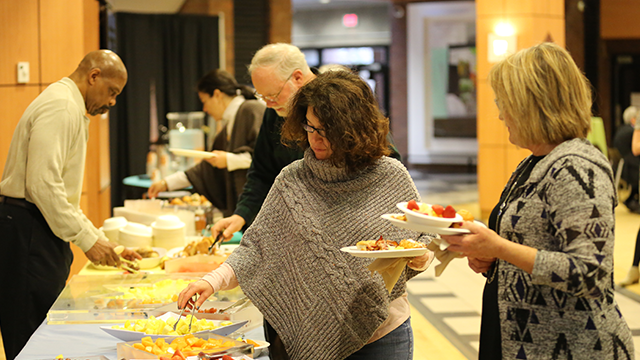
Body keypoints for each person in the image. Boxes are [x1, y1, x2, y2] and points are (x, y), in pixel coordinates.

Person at [178, 71, 433, 360]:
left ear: (354, 128)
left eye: (326, 131)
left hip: (384, 333)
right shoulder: (293, 180)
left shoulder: (389, 176)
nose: (316, 139)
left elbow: (422, 237)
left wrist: (422, 258)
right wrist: (212, 280)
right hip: (315, 329)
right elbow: (257, 247)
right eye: (310, 128)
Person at [442, 43, 634, 359]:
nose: (501, 114)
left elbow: (589, 272)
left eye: (504, 102)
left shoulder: (575, 166)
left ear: (533, 105)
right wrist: (494, 260)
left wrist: (500, 248)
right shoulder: (536, 161)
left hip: (572, 346)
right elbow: (537, 246)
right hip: (524, 337)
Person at [0, 50, 141, 359]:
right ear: (94, 77)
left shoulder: (68, 104)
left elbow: (60, 194)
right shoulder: (62, 106)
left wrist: (104, 244)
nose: (113, 102)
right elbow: (42, 186)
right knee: (31, 341)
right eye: (111, 92)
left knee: (42, 335)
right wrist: (88, 240)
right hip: (28, 230)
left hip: (36, 228)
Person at [211, 43, 400, 241]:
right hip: (301, 234)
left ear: (298, 77)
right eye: (262, 96)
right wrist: (241, 215)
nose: (268, 103)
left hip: (355, 231)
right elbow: (261, 172)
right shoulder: (275, 112)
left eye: (273, 95)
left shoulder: (342, 101)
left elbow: (388, 163)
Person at [147, 70, 265, 217]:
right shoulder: (230, 124)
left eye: (204, 102)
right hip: (246, 209)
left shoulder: (252, 109)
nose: (205, 109)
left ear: (217, 95)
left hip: (259, 207)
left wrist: (228, 160)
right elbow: (204, 170)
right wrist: (166, 183)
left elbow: (265, 157)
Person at [613, 105, 640, 212]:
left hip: (622, 164)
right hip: (629, 166)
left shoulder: (621, 129)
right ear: (633, 119)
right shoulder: (630, 132)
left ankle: (631, 199)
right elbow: (636, 149)